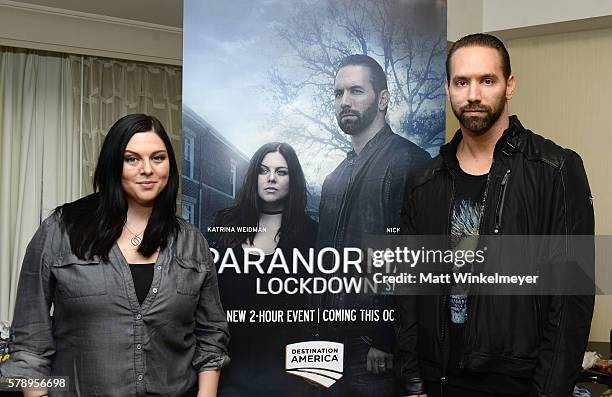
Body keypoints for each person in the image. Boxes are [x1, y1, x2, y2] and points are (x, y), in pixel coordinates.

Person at [397, 33, 594, 397]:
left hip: (518, 383)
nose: (473, 94)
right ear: (448, 89)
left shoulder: (556, 169)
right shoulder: (424, 181)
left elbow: (571, 303)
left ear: (509, 86)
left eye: (487, 80)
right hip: (438, 380)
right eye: (461, 82)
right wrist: (412, 381)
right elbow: (408, 291)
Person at [0, 114, 230, 397]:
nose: (147, 169)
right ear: (113, 165)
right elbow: (30, 337)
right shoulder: (61, 230)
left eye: (158, 158)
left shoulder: (191, 242)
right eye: (132, 159)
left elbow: (211, 336)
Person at [317, 54, 431, 396]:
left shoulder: (408, 161)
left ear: (382, 99)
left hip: (374, 349)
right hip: (330, 339)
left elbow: (414, 260)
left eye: (356, 91)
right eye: (338, 94)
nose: (345, 101)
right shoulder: (335, 177)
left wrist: (384, 337)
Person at [207, 142, 318, 397]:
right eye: (263, 170)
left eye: (281, 172)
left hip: (290, 376)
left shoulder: (311, 233)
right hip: (231, 371)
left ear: (293, 179)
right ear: (253, 176)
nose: (270, 178)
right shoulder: (225, 223)